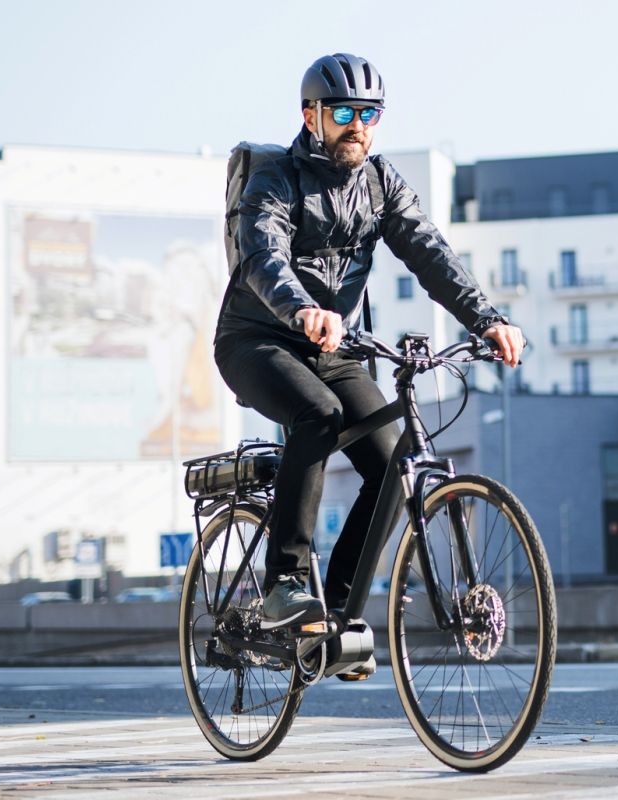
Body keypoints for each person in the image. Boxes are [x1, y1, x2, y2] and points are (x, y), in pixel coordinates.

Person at [213, 53, 524, 629]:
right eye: (344, 112)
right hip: (256, 339)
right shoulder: (275, 178)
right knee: (318, 414)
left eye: (370, 112)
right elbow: (263, 253)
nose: (358, 124)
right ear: (312, 116)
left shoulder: (381, 184)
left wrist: (486, 319)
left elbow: (431, 254)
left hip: (332, 349)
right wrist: (300, 307)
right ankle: (284, 583)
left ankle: (339, 608)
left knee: (389, 461)